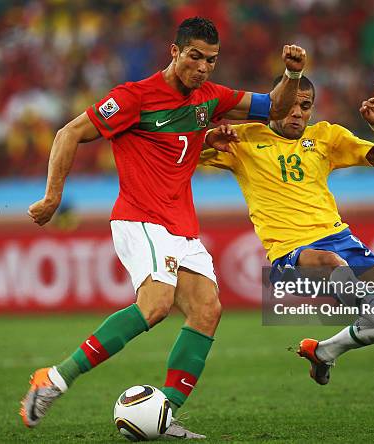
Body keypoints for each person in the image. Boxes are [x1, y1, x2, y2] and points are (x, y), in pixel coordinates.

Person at [19, 17, 306, 439]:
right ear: (174, 53)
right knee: (155, 305)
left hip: (181, 225)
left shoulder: (211, 97)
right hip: (141, 217)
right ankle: (55, 379)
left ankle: (163, 414)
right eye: (195, 57)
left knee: (207, 311)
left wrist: (292, 75)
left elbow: (277, 107)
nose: (204, 67)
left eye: (211, 59)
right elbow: (68, 133)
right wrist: (52, 197)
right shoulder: (134, 97)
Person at [200, 75, 374, 386]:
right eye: (290, 105)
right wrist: (207, 139)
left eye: (305, 106)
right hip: (293, 251)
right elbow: (179, 152)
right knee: (334, 267)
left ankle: (324, 352)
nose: (297, 113)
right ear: (275, 103)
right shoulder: (243, 139)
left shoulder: (325, 136)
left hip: (342, 241)